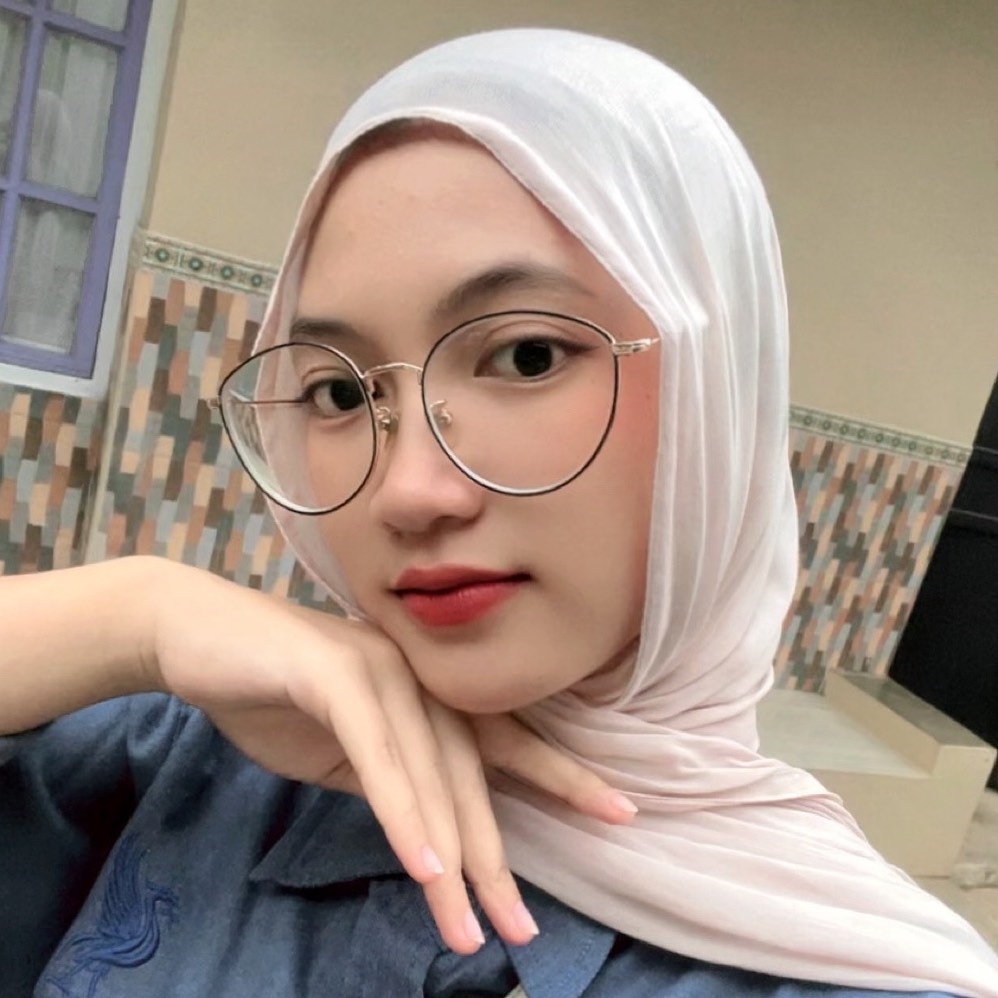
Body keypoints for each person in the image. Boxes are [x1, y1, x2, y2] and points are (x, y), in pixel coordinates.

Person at [2, 27, 997, 998]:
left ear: (718, 393)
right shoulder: (190, 760)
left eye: (526, 355)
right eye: (340, 392)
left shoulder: (840, 970)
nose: (408, 491)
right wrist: (136, 616)